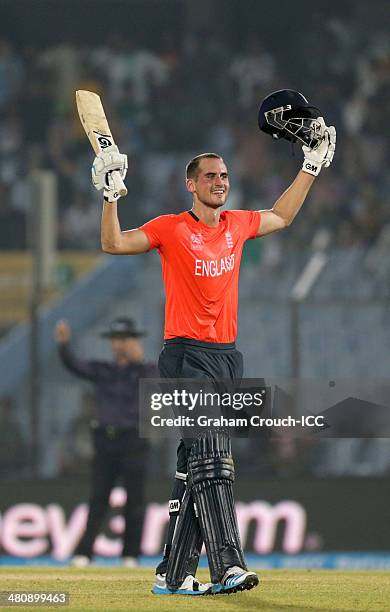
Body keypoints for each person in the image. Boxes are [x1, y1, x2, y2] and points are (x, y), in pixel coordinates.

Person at [91, 92, 336, 595]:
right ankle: (228, 565)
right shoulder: (171, 228)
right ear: (191, 184)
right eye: (210, 177)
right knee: (215, 459)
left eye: (224, 176)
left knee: (193, 469)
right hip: (184, 355)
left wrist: (310, 166)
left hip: (227, 357)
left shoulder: (238, 225)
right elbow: (113, 243)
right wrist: (110, 194)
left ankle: (173, 573)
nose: (220, 183)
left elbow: (282, 216)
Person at [54, 317, 157, 567]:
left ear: (133, 341)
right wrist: (64, 344)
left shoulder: (145, 370)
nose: (119, 344)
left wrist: (139, 359)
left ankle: (130, 554)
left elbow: (161, 379)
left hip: (133, 440)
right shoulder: (103, 370)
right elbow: (74, 365)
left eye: (124, 339)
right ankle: (85, 553)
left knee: (135, 500)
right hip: (105, 441)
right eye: (116, 339)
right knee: (98, 498)